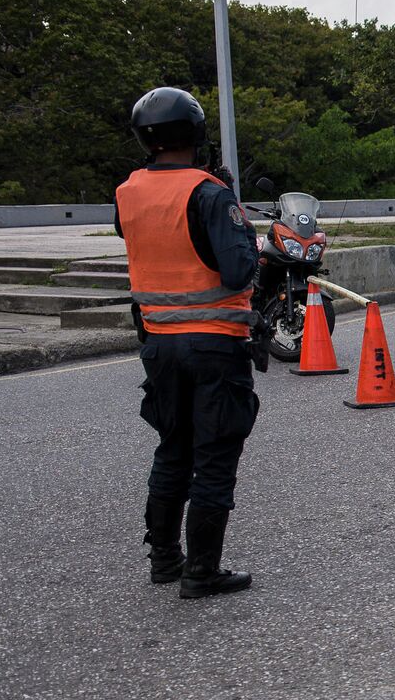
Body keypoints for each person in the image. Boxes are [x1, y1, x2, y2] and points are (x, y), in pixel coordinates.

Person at [117, 87, 261, 599]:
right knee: (216, 455)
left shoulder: (128, 191)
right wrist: (239, 224)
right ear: (197, 134)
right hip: (214, 342)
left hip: (159, 343)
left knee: (172, 450)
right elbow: (238, 268)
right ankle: (203, 571)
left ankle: (164, 560)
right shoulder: (209, 193)